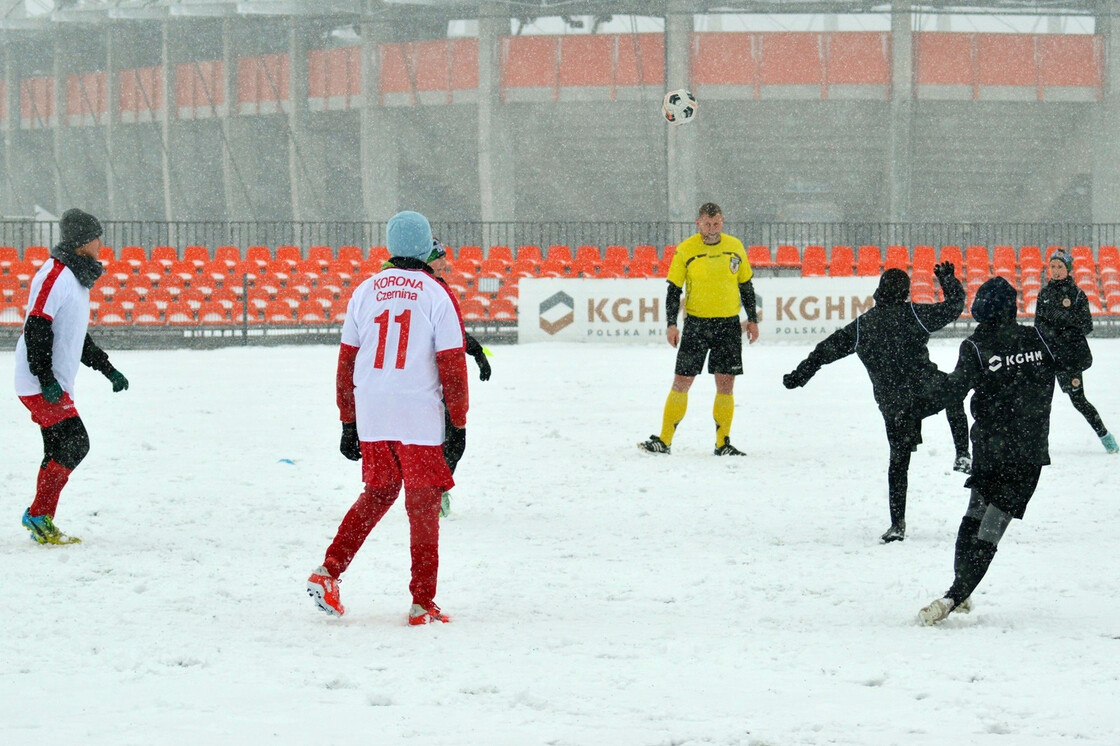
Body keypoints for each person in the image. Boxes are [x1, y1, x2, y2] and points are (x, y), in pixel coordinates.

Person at [307, 211, 469, 625]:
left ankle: (328, 571)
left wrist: (348, 420)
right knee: (423, 504)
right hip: (418, 413)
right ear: (427, 245)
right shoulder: (436, 294)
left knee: (378, 493)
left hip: (373, 410)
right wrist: (459, 423)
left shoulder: (365, 291)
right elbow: (451, 365)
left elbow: (346, 363)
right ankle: (421, 602)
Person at [918, 277, 1091, 625]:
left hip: (990, 449)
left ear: (979, 308)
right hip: (1027, 452)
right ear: (1013, 307)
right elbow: (1081, 359)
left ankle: (959, 591)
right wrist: (1065, 324)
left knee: (974, 514)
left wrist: (914, 405)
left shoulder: (975, 345)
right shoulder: (1038, 337)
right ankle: (955, 595)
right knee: (993, 526)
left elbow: (952, 391)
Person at [783, 262, 972, 544]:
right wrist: (947, 279)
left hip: (894, 404)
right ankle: (962, 453)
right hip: (926, 390)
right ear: (906, 292)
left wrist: (801, 374)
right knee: (955, 391)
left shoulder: (863, 325)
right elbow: (955, 305)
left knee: (898, 461)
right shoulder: (915, 315)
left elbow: (825, 350)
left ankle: (897, 524)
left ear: (878, 292)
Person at [13, 208, 129, 544]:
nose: (100, 242)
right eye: (96, 236)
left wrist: (108, 369)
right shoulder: (56, 275)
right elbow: (37, 327)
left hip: (52, 381)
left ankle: (41, 518)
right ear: (82, 241)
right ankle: (38, 515)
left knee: (59, 449)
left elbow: (76, 336)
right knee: (76, 443)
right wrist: (45, 377)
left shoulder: (77, 277)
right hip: (38, 383)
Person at [638, 202, 759, 457]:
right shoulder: (687, 249)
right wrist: (671, 324)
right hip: (696, 325)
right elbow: (674, 290)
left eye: (716, 224)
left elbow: (746, 285)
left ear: (722, 222)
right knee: (682, 382)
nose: (712, 229)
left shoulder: (735, 247)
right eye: (707, 224)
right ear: (698, 223)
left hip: (727, 325)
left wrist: (752, 320)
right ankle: (664, 440)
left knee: (726, 384)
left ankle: (722, 442)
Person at [427, 238, 491, 516]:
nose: (444, 263)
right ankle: (432, 491)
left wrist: (476, 352)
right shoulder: (431, 290)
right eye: (438, 257)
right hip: (434, 379)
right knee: (452, 439)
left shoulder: (435, 287)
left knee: (450, 440)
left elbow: (453, 333)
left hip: (442, 377)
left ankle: (433, 490)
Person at [1033, 248, 1117, 454]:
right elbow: (1038, 325)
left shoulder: (1077, 295)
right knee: (1041, 402)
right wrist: (1048, 336)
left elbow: (1086, 325)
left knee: (1079, 400)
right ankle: (1039, 446)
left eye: (1060, 267)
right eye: (1052, 266)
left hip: (1069, 358)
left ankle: (1106, 438)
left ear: (1068, 269)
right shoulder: (1043, 294)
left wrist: (1065, 326)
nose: (1056, 270)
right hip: (1047, 357)